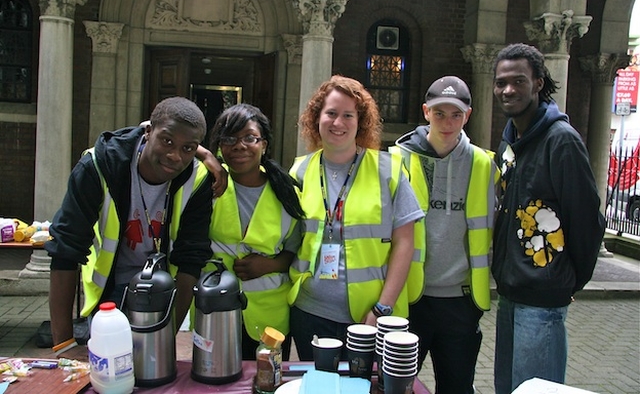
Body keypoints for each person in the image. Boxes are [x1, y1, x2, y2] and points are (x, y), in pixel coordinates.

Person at [46, 96, 219, 359]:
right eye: (167, 141)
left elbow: (191, 259)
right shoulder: (98, 167)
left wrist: (167, 334)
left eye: (187, 148)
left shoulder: (198, 180)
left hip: (163, 292)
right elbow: (65, 250)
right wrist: (64, 344)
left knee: (152, 373)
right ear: (148, 131)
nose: (174, 156)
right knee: (109, 373)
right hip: (110, 294)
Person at [491, 43, 605, 393]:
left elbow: (587, 222)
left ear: (539, 83)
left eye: (518, 81)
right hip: (510, 294)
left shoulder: (561, 142)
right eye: (501, 82)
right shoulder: (510, 142)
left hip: (542, 301)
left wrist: (567, 283)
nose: (508, 90)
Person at [288, 75, 424, 360]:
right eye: (331, 113)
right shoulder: (300, 171)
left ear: (360, 121)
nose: (338, 123)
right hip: (310, 312)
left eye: (348, 115)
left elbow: (404, 244)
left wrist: (382, 309)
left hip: (370, 317)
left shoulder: (388, 170)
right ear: (317, 118)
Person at [390, 76, 498, 394]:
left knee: (457, 388)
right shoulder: (398, 160)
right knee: (397, 386)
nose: (447, 122)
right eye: (439, 113)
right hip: (411, 299)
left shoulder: (485, 164)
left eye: (455, 114)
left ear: (468, 115)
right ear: (426, 112)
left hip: (461, 302)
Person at [201, 103, 304, 360]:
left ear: (264, 144)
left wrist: (269, 266)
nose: (239, 146)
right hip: (216, 309)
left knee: (265, 381)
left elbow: (297, 248)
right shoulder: (206, 183)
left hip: (270, 317)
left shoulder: (287, 192)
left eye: (249, 138)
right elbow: (156, 135)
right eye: (229, 139)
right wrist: (204, 155)